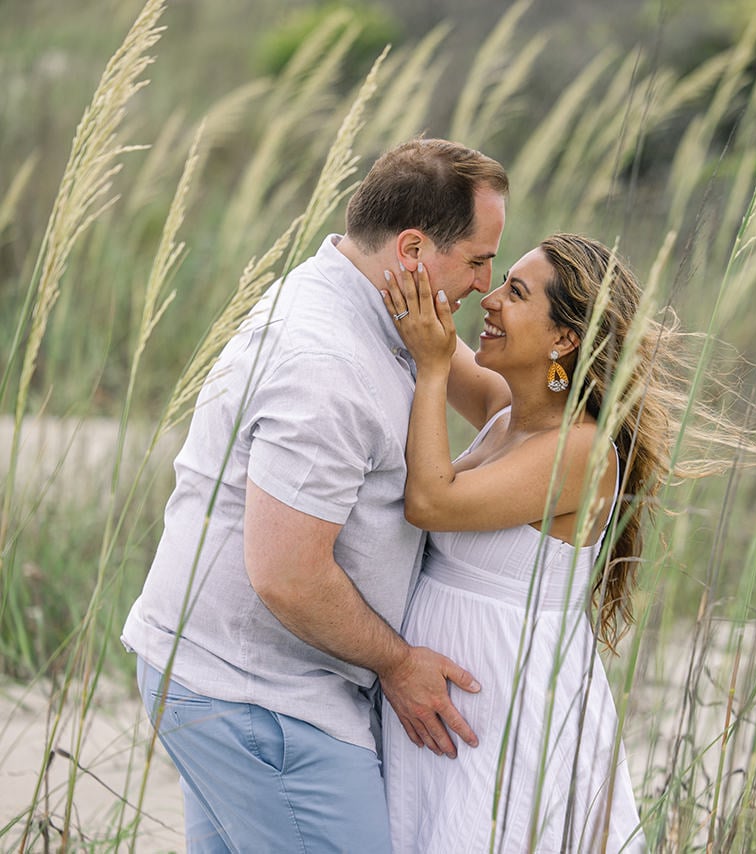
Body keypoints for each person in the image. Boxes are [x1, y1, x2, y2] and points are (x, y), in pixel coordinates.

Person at [121, 137, 508, 852]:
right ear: (416, 248)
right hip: (255, 694)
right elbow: (288, 575)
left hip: (242, 680)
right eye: (479, 260)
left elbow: (503, 402)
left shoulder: (383, 305)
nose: (485, 283)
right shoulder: (325, 362)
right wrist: (398, 664)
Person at [377, 233, 684, 852]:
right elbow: (422, 320)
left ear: (564, 339)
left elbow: (431, 502)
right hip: (450, 705)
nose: (489, 300)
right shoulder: (505, 411)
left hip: (510, 706)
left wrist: (435, 368)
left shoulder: (583, 451)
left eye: (514, 293)